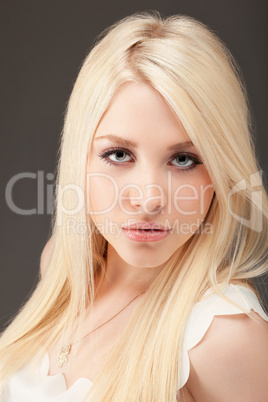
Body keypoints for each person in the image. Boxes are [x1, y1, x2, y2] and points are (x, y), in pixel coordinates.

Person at [0, 11, 268, 402]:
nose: (148, 199)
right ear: (80, 158)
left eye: (183, 160)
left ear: (221, 174)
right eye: (119, 154)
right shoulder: (62, 267)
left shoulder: (225, 335)